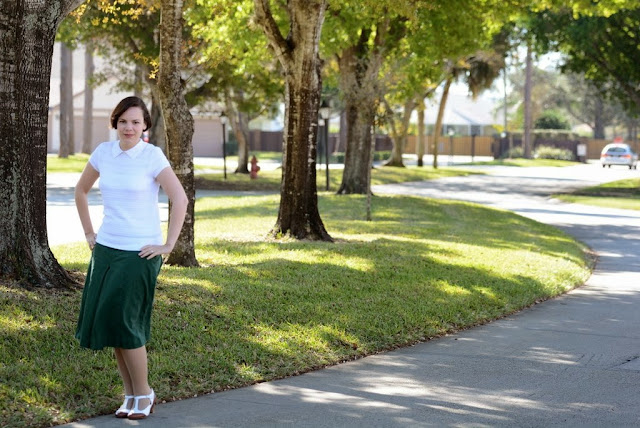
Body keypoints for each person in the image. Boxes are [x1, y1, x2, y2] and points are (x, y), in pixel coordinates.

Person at [74, 96, 188, 420]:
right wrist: (89, 233)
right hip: (106, 251)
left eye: (136, 122)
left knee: (128, 327)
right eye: (123, 121)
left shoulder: (152, 156)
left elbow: (179, 198)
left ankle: (145, 392)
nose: (129, 127)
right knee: (114, 327)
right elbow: (80, 190)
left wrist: (168, 245)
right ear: (115, 122)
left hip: (139, 253)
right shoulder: (103, 153)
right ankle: (130, 395)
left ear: (145, 125)